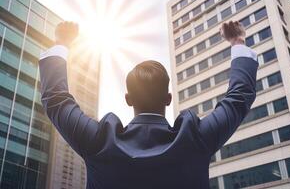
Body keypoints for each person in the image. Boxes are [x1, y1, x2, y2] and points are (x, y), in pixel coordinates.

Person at [39, 21, 258, 189]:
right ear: (168, 99)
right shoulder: (195, 139)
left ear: (128, 99)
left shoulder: (98, 142)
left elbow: (56, 101)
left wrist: (62, 42)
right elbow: (238, 98)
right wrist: (237, 41)